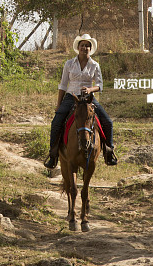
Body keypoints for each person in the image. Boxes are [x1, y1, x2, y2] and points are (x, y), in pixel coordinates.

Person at [44, 33, 118, 169]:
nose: (85, 48)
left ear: (91, 49)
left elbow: (100, 85)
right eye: (83, 45)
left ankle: (109, 152)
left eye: (87, 46)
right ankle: (53, 154)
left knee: (107, 121)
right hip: (71, 98)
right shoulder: (69, 64)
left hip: (88, 99)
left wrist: (90, 90)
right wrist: (58, 104)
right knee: (56, 122)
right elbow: (62, 85)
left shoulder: (95, 65)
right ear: (78, 47)